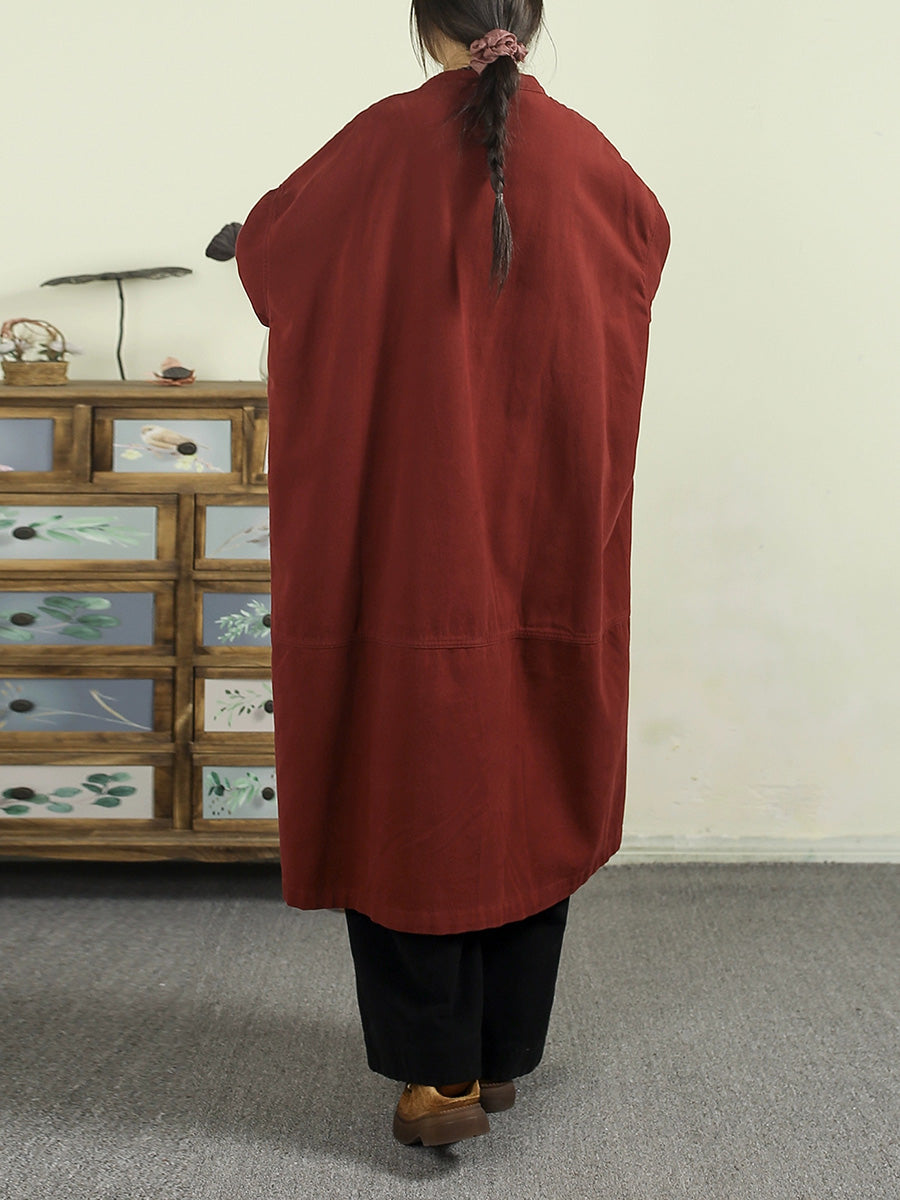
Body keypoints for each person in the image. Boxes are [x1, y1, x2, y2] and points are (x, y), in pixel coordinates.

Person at [235, 0, 671, 1148]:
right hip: (548, 542)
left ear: (424, 19)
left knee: (407, 778)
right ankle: (501, 1055)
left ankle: (439, 1078)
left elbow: (273, 253)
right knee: (531, 769)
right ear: (531, 18)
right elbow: (645, 247)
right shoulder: (588, 156)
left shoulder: (379, 142)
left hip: (404, 544)